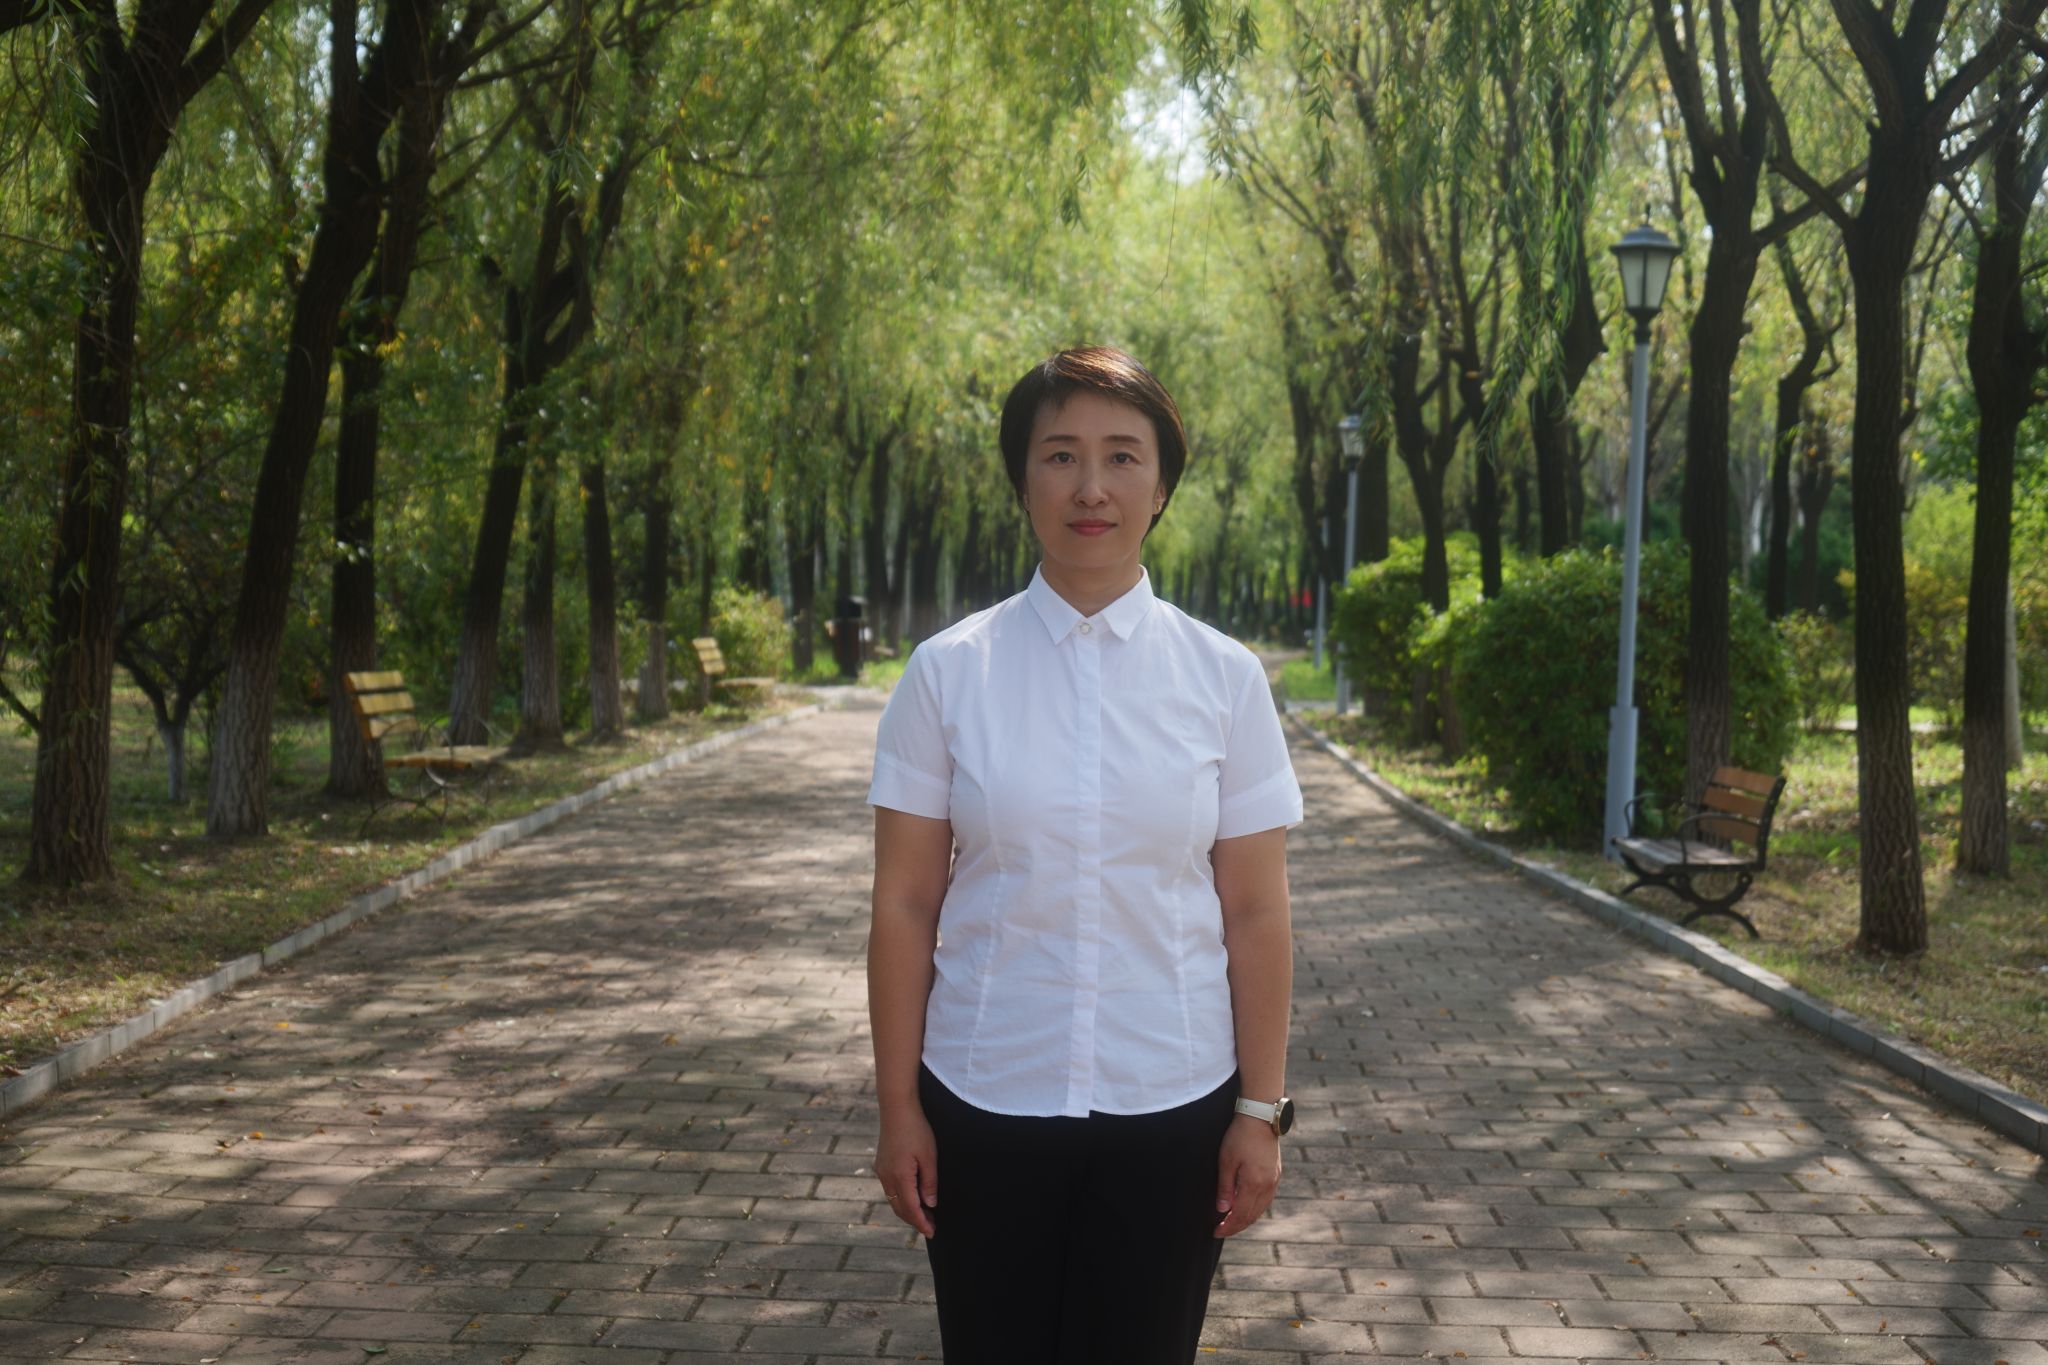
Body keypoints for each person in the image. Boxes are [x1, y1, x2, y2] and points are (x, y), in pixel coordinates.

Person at [865, 345, 1302, 1363]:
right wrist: (898, 1109)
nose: (1091, 487)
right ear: (1022, 480)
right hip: (984, 1097)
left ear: (1162, 486)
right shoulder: (947, 674)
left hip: (1173, 1103)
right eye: (1059, 455)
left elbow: (1254, 911)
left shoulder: (1224, 678)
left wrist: (1259, 1113)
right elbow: (904, 904)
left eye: (1122, 457)